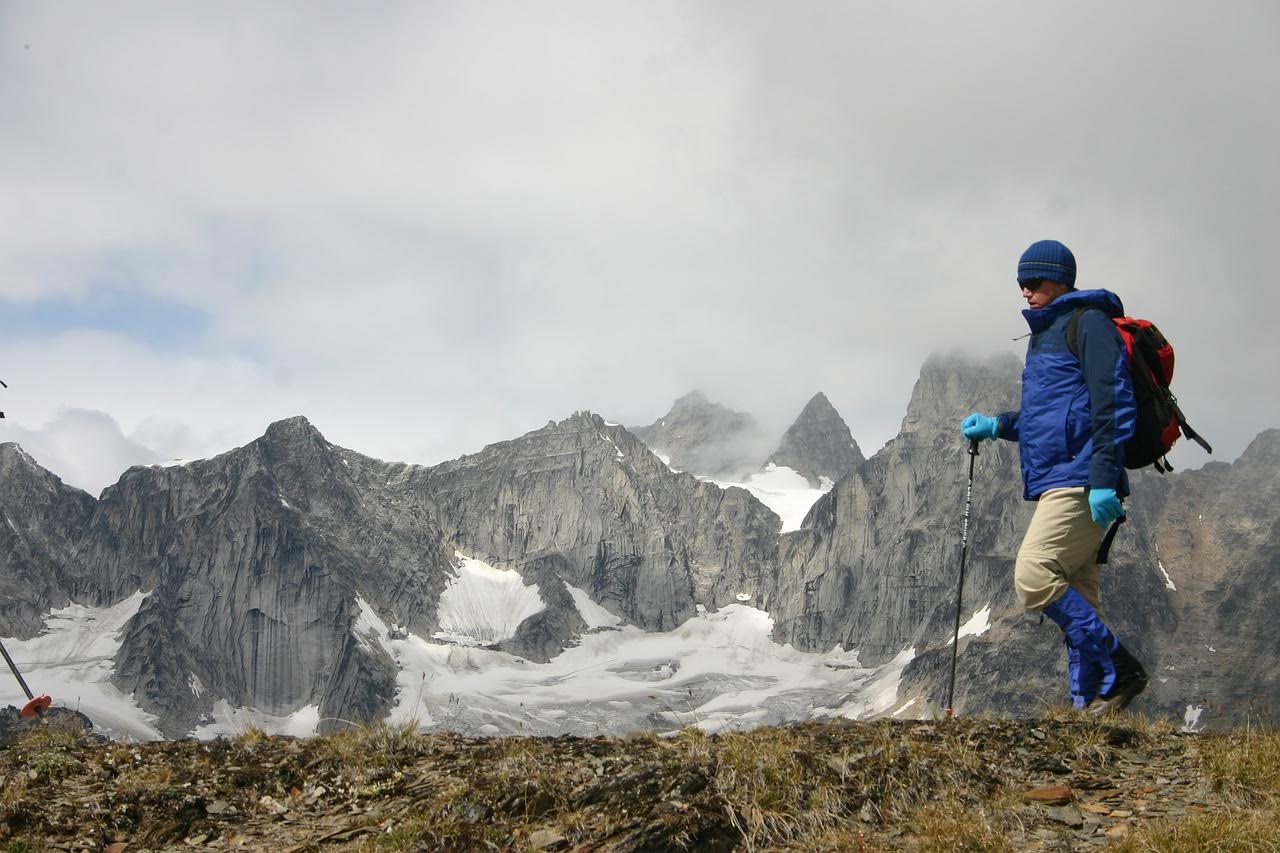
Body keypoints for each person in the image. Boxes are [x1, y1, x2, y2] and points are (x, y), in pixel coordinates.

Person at [961, 239, 1149, 715]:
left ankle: (1123, 669)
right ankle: (1089, 706)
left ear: (1059, 279)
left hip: (1082, 480)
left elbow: (1112, 404)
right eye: (1020, 283)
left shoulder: (1090, 324)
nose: (1024, 291)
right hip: (1061, 479)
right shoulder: (1048, 336)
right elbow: (1049, 418)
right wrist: (998, 425)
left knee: (1034, 575)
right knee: (1080, 595)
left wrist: (1105, 477)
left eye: (1033, 282)